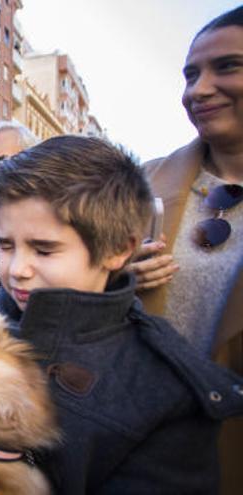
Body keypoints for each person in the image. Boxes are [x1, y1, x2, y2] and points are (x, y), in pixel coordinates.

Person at [0, 136, 243, 493]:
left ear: (117, 249)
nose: (17, 269)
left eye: (44, 249)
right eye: (5, 245)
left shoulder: (163, 393)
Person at [128, 7, 243, 491]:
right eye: (191, 74)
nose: (199, 89)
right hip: (138, 450)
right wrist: (113, 278)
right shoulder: (140, 183)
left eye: (228, 67)